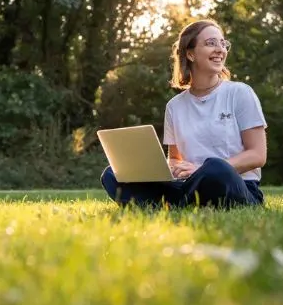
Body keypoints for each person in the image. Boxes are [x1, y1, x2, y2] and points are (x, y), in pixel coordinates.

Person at [101, 19, 267, 208]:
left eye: (223, 43)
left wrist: (200, 169)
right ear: (190, 54)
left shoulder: (240, 93)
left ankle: (167, 204)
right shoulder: (175, 106)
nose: (220, 49)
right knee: (113, 173)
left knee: (216, 167)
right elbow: (175, 158)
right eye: (211, 43)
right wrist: (168, 170)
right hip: (187, 186)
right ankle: (177, 203)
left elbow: (257, 155)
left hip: (234, 184)